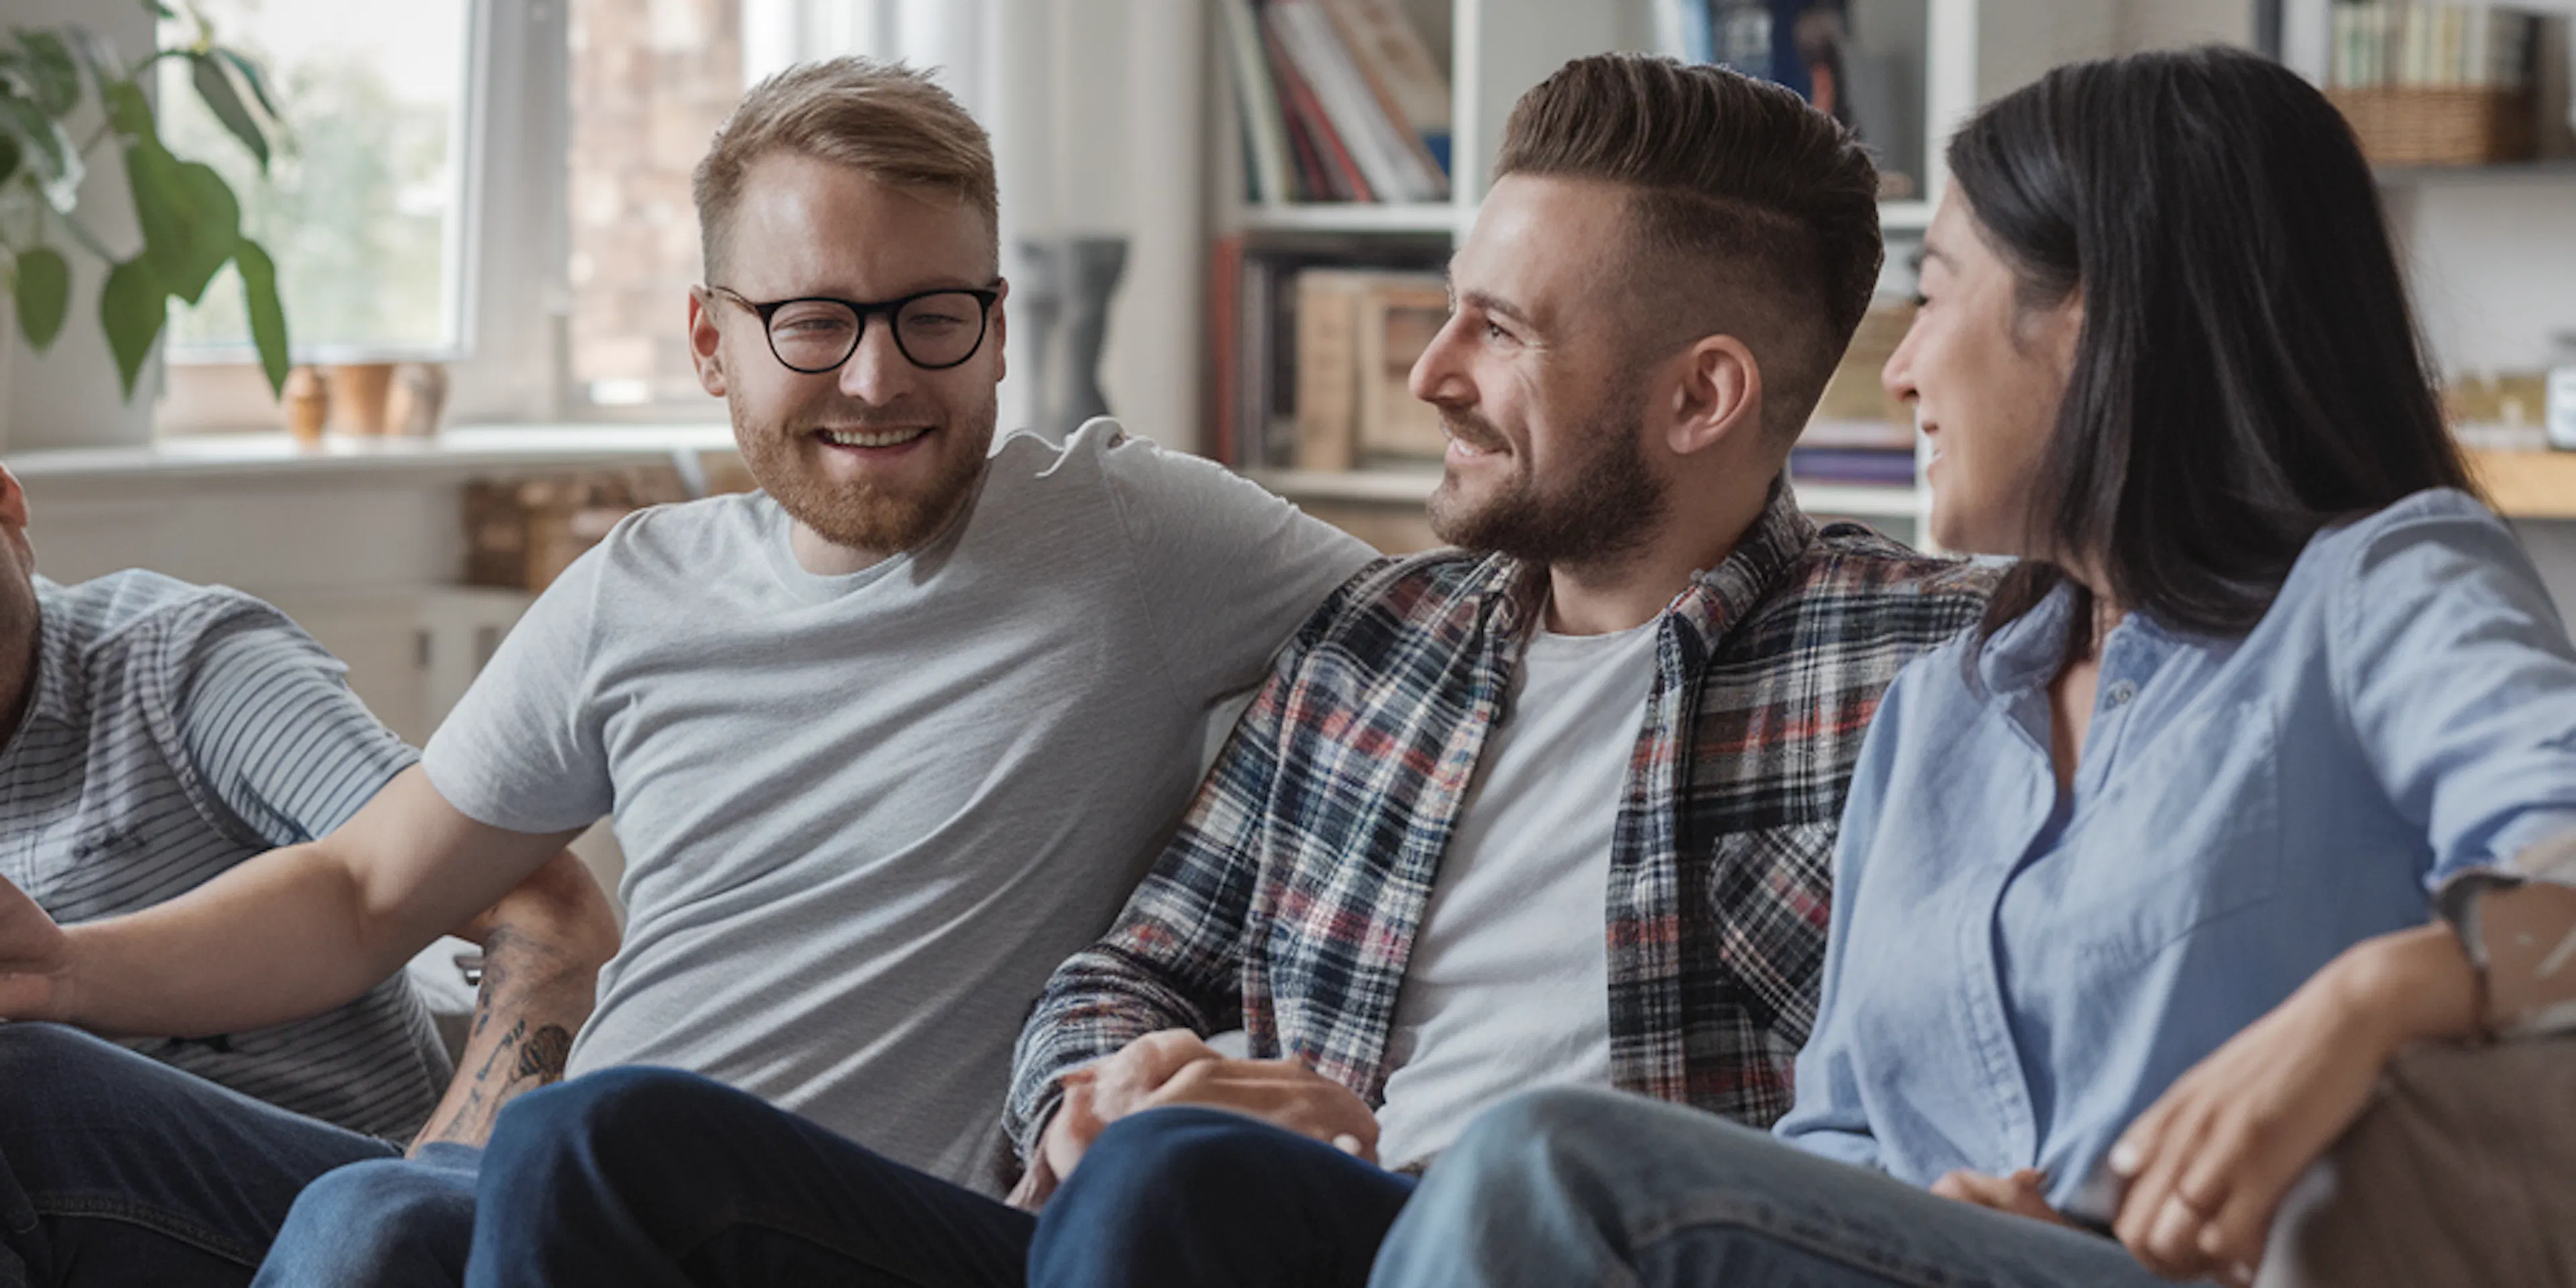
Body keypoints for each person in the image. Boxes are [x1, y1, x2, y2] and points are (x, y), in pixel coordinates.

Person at [451, 54, 1996, 1288]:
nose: (1428, 370)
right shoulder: (1376, 645)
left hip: (1524, 1238)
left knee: (1181, 1181)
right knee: (592, 1142)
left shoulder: (1929, 668)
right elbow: (1125, 973)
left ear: (1701, 396)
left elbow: (2005, 1056)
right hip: (1199, 1216)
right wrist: (1115, 1084)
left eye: (1499, 332)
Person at [0, 56, 1373, 1288]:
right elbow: (365, 892)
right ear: (712, 343)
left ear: (1000, 328)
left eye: (932, 316)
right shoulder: (637, 592)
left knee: (533, 1163)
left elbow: (1473, 629)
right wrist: (61, 971)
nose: (880, 377)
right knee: (257, 1173)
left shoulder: (1135, 539)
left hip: (831, 1223)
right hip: (557, 1187)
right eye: (814, 321)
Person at [1366, 45, 2576, 1288]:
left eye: (1935, 299)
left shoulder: (2374, 591)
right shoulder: (1943, 708)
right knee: (1214, 1174)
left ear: (2094, 321)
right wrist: (1934, 1215)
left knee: (1546, 1162)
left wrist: (2372, 1000)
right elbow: (1835, 1133)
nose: (1899, 371)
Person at [0, 457, 621, 1286]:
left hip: (328, 1209)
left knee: (21, 1085)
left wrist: (448, 1195)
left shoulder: (178, 665)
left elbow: (547, 906)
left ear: (7, 501)